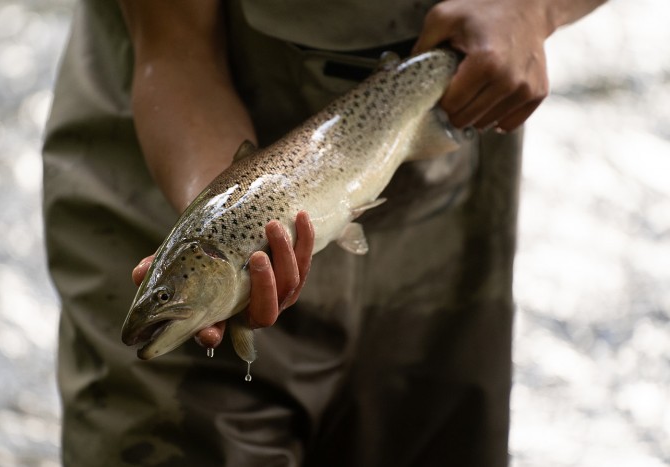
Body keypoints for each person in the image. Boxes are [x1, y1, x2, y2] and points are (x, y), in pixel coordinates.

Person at [42, 0, 605, 465]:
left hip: (451, 169)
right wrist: (215, 208)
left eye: (164, 297)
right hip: (170, 159)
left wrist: (533, 10)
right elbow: (176, 54)